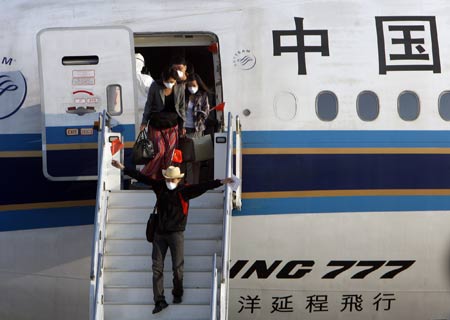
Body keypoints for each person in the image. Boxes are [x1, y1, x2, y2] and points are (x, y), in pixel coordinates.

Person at [111, 160, 233, 314]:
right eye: (168, 179)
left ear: (179, 179)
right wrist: (123, 167)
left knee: (177, 267)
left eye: (173, 179)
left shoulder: (185, 191)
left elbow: (203, 187)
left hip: (176, 234)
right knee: (157, 268)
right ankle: (159, 300)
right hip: (159, 234)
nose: (170, 182)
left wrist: (221, 182)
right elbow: (141, 177)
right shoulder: (159, 186)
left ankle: (177, 292)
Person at [140, 67, 186, 179]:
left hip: (172, 125)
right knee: (159, 152)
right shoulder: (155, 86)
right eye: (168, 82)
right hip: (156, 125)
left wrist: (182, 126)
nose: (170, 84)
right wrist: (144, 122)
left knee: (170, 154)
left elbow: (181, 107)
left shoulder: (180, 87)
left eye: (172, 82)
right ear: (163, 79)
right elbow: (149, 105)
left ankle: (168, 177)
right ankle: (146, 175)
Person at [184, 73, 211, 184]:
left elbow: (207, 111)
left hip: (197, 130)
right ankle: (189, 183)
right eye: (189, 85)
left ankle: (195, 183)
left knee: (197, 159)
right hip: (185, 129)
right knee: (187, 160)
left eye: (194, 85)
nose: (191, 87)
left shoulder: (203, 95)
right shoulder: (184, 95)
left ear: (198, 85)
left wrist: (201, 114)